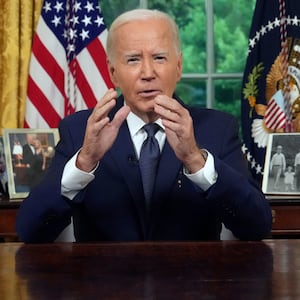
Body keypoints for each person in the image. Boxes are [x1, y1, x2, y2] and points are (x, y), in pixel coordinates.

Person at [16, 9, 272, 243]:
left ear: (179, 66)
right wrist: (84, 162)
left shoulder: (217, 128)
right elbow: (30, 231)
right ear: (113, 72)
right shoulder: (80, 130)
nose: (148, 72)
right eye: (133, 60)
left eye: (160, 58)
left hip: (191, 286)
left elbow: (257, 226)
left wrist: (196, 159)